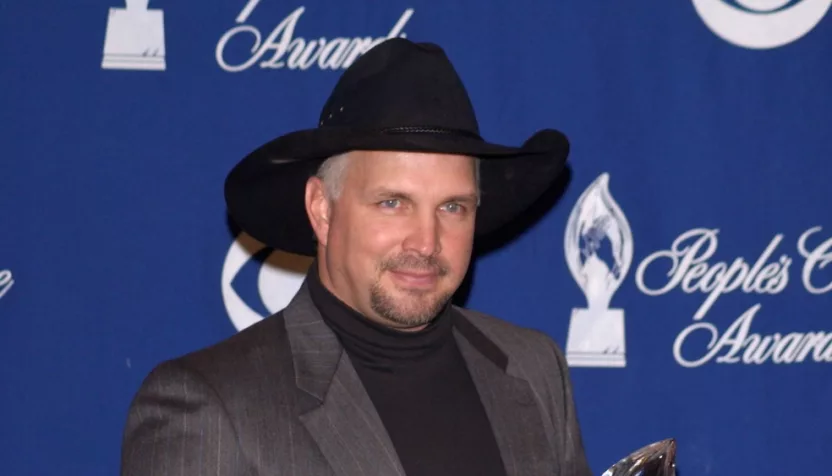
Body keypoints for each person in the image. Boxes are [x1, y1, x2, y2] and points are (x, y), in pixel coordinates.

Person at [120, 38, 592, 476]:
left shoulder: (534, 367)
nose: (426, 242)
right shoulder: (210, 404)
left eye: (452, 207)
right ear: (322, 210)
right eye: (393, 203)